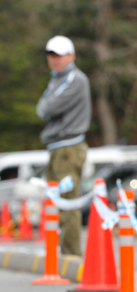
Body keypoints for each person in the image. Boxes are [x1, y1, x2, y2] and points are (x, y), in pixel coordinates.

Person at [36, 35, 91, 256]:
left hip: (68, 148)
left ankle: (72, 257)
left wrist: (47, 106)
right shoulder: (56, 78)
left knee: (68, 204)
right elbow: (43, 107)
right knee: (57, 203)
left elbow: (46, 109)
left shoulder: (75, 79)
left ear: (72, 56)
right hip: (57, 148)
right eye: (51, 55)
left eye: (59, 55)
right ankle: (64, 255)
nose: (55, 59)